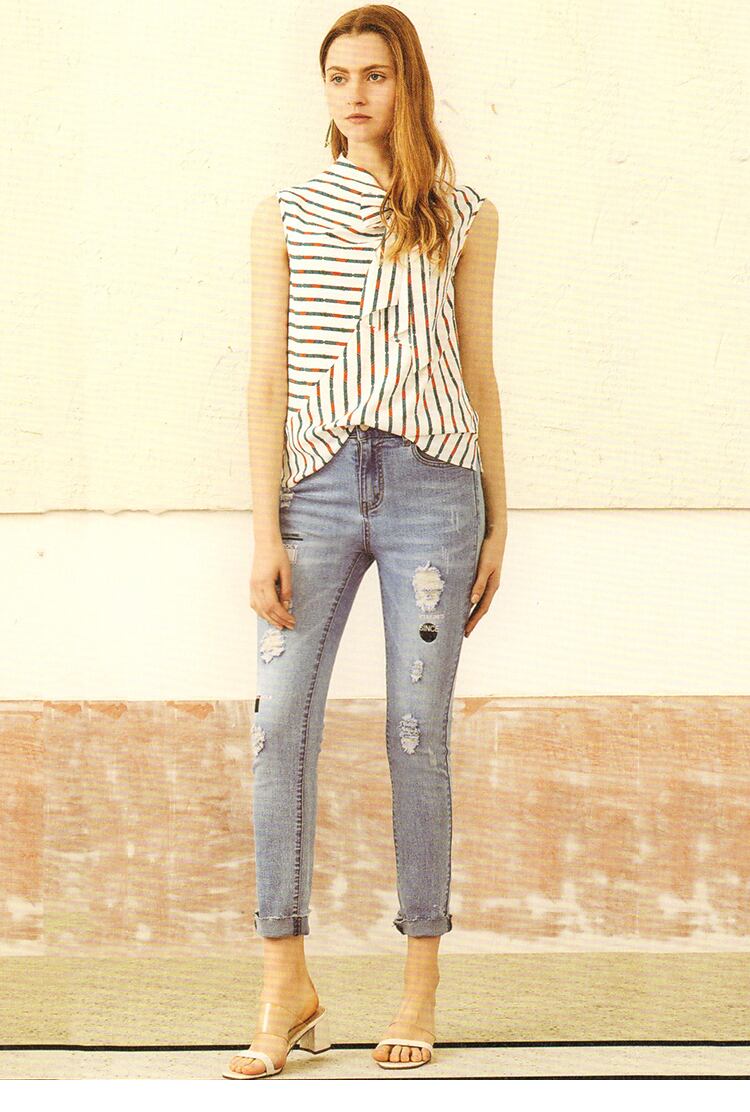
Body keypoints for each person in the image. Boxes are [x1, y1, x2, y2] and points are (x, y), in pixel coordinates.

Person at [224, 3, 506, 1080]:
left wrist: (500, 515)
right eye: (339, 75)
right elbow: (266, 381)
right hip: (316, 490)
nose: (355, 93)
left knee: (416, 731)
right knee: (277, 723)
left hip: (437, 488)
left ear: (407, 83)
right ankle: (284, 986)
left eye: (375, 74)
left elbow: (479, 373)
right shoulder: (286, 213)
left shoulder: (464, 214)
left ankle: (418, 984)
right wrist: (264, 527)